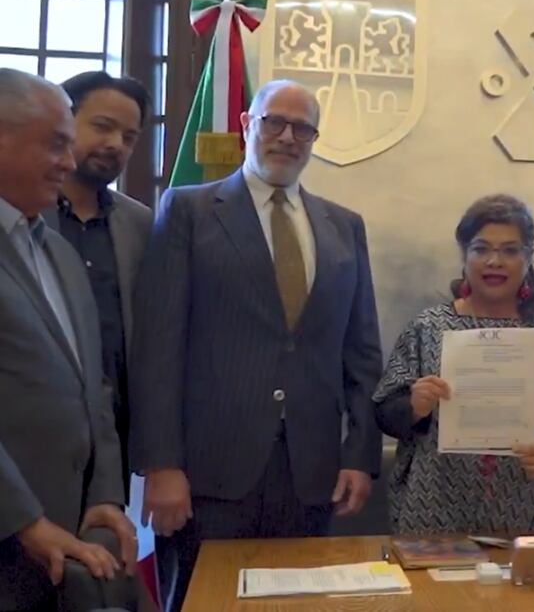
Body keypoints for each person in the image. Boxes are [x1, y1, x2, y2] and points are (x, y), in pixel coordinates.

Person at [129, 80, 384, 610]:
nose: (287, 136)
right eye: (274, 122)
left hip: (310, 476)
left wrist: (359, 456)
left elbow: (361, 354)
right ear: (248, 124)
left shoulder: (344, 227)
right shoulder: (189, 210)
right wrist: (161, 464)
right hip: (208, 476)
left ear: (314, 138)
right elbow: (159, 348)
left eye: (303, 128)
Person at [373, 194, 534, 533]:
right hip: (439, 513)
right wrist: (412, 406)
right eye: (481, 248)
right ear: (464, 255)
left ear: (529, 258)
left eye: (510, 250)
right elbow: (384, 411)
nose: (494, 261)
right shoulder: (427, 328)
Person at [0, 68, 137, 610]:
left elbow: (93, 389)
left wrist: (105, 493)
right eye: (56, 144)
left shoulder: (54, 248)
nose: (69, 160)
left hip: (68, 540)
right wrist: (25, 521)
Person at [42, 71, 153, 494]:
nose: (115, 145)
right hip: (31, 433)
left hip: (113, 437)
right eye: (102, 127)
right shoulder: (23, 213)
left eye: (129, 136)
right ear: (62, 121)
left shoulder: (140, 223)